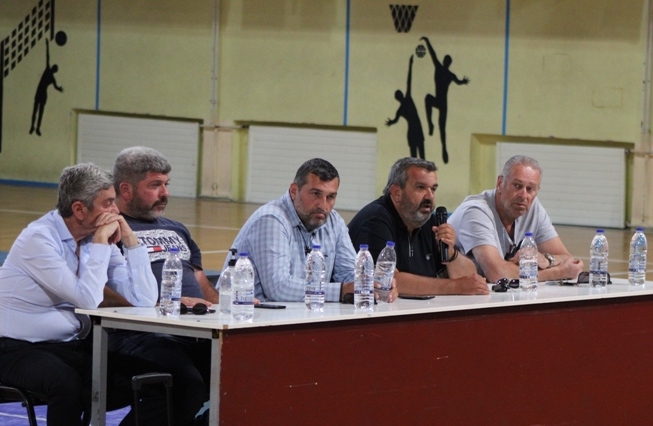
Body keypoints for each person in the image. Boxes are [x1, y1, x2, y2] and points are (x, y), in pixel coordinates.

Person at [0, 163, 161, 426]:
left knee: (150, 376)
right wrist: (100, 244)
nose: (116, 211)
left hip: (70, 346)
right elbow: (87, 300)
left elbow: (143, 301)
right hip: (16, 349)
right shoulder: (39, 239)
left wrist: (131, 241)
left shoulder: (96, 237)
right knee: (64, 382)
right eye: (108, 203)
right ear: (79, 209)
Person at [112, 146, 215, 425]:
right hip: (138, 335)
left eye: (166, 184)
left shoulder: (176, 229)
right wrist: (160, 307)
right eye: (155, 185)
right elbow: (99, 290)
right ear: (126, 189)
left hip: (194, 331)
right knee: (186, 384)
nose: (165, 193)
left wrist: (230, 304)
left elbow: (201, 283)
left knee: (246, 370)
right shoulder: (111, 230)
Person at [226, 158, 398, 303]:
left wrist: (373, 285)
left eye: (330, 197)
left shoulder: (334, 222)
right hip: (249, 318)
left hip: (299, 316)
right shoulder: (271, 220)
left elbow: (349, 274)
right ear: (294, 191)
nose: (323, 205)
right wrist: (340, 291)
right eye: (316, 194)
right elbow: (279, 288)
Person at [348, 157, 488, 296]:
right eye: (420, 187)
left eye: (433, 189)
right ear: (397, 193)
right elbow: (387, 281)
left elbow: (471, 280)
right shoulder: (375, 220)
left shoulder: (427, 220)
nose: (430, 196)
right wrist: (455, 286)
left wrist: (450, 253)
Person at [448, 155, 584, 283]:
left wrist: (546, 259)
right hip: (452, 295)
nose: (523, 195)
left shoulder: (532, 207)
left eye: (530, 189)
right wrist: (556, 273)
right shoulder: (476, 212)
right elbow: (497, 274)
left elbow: (568, 259)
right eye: (517, 186)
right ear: (500, 183)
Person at [420, 36, 470, 164]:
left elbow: (433, 55)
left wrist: (427, 41)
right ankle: (431, 125)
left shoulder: (440, 69)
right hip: (441, 101)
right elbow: (458, 81)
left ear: (445, 62)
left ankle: (443, 148)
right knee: (428, 99)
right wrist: (427, 42)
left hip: (440, 101)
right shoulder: (449, 74)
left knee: (441, 126)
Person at [386, 55, 426, 159]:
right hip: (415, 130)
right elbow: (409, 81)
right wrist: (410, 64)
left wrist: (410, 64)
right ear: (400, 96)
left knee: (419, 157)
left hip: (415, 130)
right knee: (418, 157)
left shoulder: (402, 107)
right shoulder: (406, 101)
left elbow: (395, 120)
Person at [30, 38, 63, 136]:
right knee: (37, 111)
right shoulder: (50, 74)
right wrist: (59, 89)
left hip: (41, 92)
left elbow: (47, 56)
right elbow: (56, 87)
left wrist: (47, 45)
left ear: (53, 69)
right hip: (41, 93)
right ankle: (34, 127)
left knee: (38, 111)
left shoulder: (49, 73)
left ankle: (36, 127)